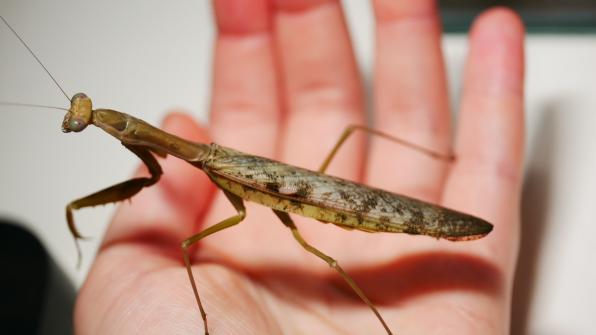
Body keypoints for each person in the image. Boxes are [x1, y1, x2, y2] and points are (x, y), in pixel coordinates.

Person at [75, 1, 524, 334]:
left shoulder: (205, 163)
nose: (85, 118)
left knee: (200, 246)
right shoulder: (204, 157)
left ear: (127, 130)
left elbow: (154, 173)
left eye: (88, 116)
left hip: (327, 200)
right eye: (87, 119)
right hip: (284, 187)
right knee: (347, 138)